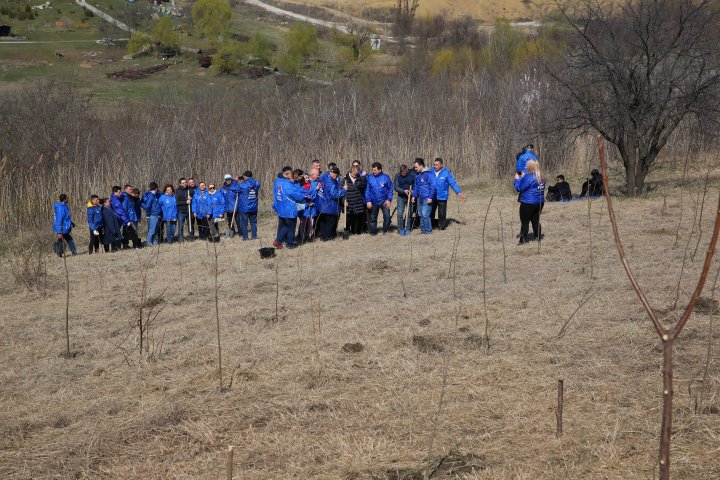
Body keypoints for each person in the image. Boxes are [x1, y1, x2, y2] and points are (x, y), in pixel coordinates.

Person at [273, 166, 309, 249]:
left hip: (281, 208)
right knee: (290, 227)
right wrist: (303, 196)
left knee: (283, 226)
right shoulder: (287, 185)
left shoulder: (278, 181)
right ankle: (288, 243)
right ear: (288, 176)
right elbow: (298, 197)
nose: (293, 178)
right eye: (292, 176)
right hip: (289, 209)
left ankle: (280, 241)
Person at [514, 160, 546, 244]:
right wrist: (524, 177)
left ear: (529, 167)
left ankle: (522, 240)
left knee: (525, 222)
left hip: (528, 203)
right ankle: (538, 237)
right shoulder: (541, 177)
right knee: (535, 221)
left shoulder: (528, 177)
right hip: (539, 202)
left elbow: (519, 188)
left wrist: (517, 179)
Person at [431, 158, 464, 230]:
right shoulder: (430, 171)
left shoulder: (446, 173)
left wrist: (458, 192)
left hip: (442, 196)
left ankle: (441, 227)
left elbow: (453, 183)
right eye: (434, 165)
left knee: (442, 213)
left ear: (441, 165)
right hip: (432, 196)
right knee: (431, 212)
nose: (435, 166)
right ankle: (432, 226)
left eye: (437, 165)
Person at [315, 166, 346, 241]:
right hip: (329, 206)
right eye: (337, 175)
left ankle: (322, 235)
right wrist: (344, 190)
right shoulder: (331, 182)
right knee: (330, 222)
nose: (337, 177)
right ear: (334, 174)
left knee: (323, 222)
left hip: (321, 205)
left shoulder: (323, 177)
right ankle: (327, 237)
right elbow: (334, 194)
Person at [365, 162, 393, 235]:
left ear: (379, 170)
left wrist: (389, 199)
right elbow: (367, 190)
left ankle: (384, 231)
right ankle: (373, 232)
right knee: (373, 218)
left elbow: (390, 189)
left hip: (384, 201)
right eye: (372, 170)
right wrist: (368, 201)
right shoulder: (370, 178)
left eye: (375, 170)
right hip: (373, 202)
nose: (373, 171)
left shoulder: (386, 177)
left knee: (387, 217)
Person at [412, 159, 436, 234]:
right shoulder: (417, 175)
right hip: (419, 198)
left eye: (416, 167)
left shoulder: (429, 174)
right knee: (420, 214)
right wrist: (414, 196)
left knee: (425, 214)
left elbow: (433, 186)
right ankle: (423, 230)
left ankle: (428, 231)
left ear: (421, 165)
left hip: (427, 198)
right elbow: (415, 186)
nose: (415, 169)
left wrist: (430, 197)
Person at [238, 171, 261, 241]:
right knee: (253, 223)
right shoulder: (257, 183)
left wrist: (236, 180)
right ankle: (254, 237)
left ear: (244, 176)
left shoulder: (242, 185)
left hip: (244, 208)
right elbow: (255, 182)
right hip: (253, 207)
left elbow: (234, 188)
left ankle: (245, 237)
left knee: (244, 223)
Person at [394, 163, 416, 236]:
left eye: (404, 172)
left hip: (410, 197)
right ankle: (400, 229)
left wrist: (413, 191)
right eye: (402, 172)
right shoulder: (397, 176)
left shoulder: (412, 176)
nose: (403, 174)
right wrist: (404, 191)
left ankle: (408, 228)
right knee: (400, 213)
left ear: (407, 171)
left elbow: (416, 185)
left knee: (409, 213)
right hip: (401, 197)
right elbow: (396, 187)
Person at [345, 165, 367, 235]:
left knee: (357, 219)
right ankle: (348, 232)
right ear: (350, 172)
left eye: (356, 175)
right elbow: (342, 191)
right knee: (349, 219)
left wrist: (363, 177)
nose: (354, 176)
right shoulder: (345, 180)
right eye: (353, 174)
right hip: (349, 202)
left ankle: (356, 232)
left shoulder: (359, 178)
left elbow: (363, 186)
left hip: (358, 202)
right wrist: (344, 201)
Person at [141, 182, 162, 246]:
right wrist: (141, 204)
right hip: (153, 215)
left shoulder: (156, 195)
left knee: (156, 230)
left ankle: (155, 242)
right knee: (152, 230)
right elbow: (147, 206)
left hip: (158, 215)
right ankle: (149, 243)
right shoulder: (150, 196)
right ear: (156, 188)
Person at [175, 178, 193, 242]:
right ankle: (180, 239)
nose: (184, 184)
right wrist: (186, 202)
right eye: (183, 183)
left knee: (190, 226)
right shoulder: (177, 191)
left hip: (189, 211)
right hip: (181, 212)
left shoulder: (190, 189)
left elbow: (194, 198)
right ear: (180, 184)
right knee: (180, 226)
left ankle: (191, 238)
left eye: (185, 182)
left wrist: (191, 198)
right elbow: (177, 202)